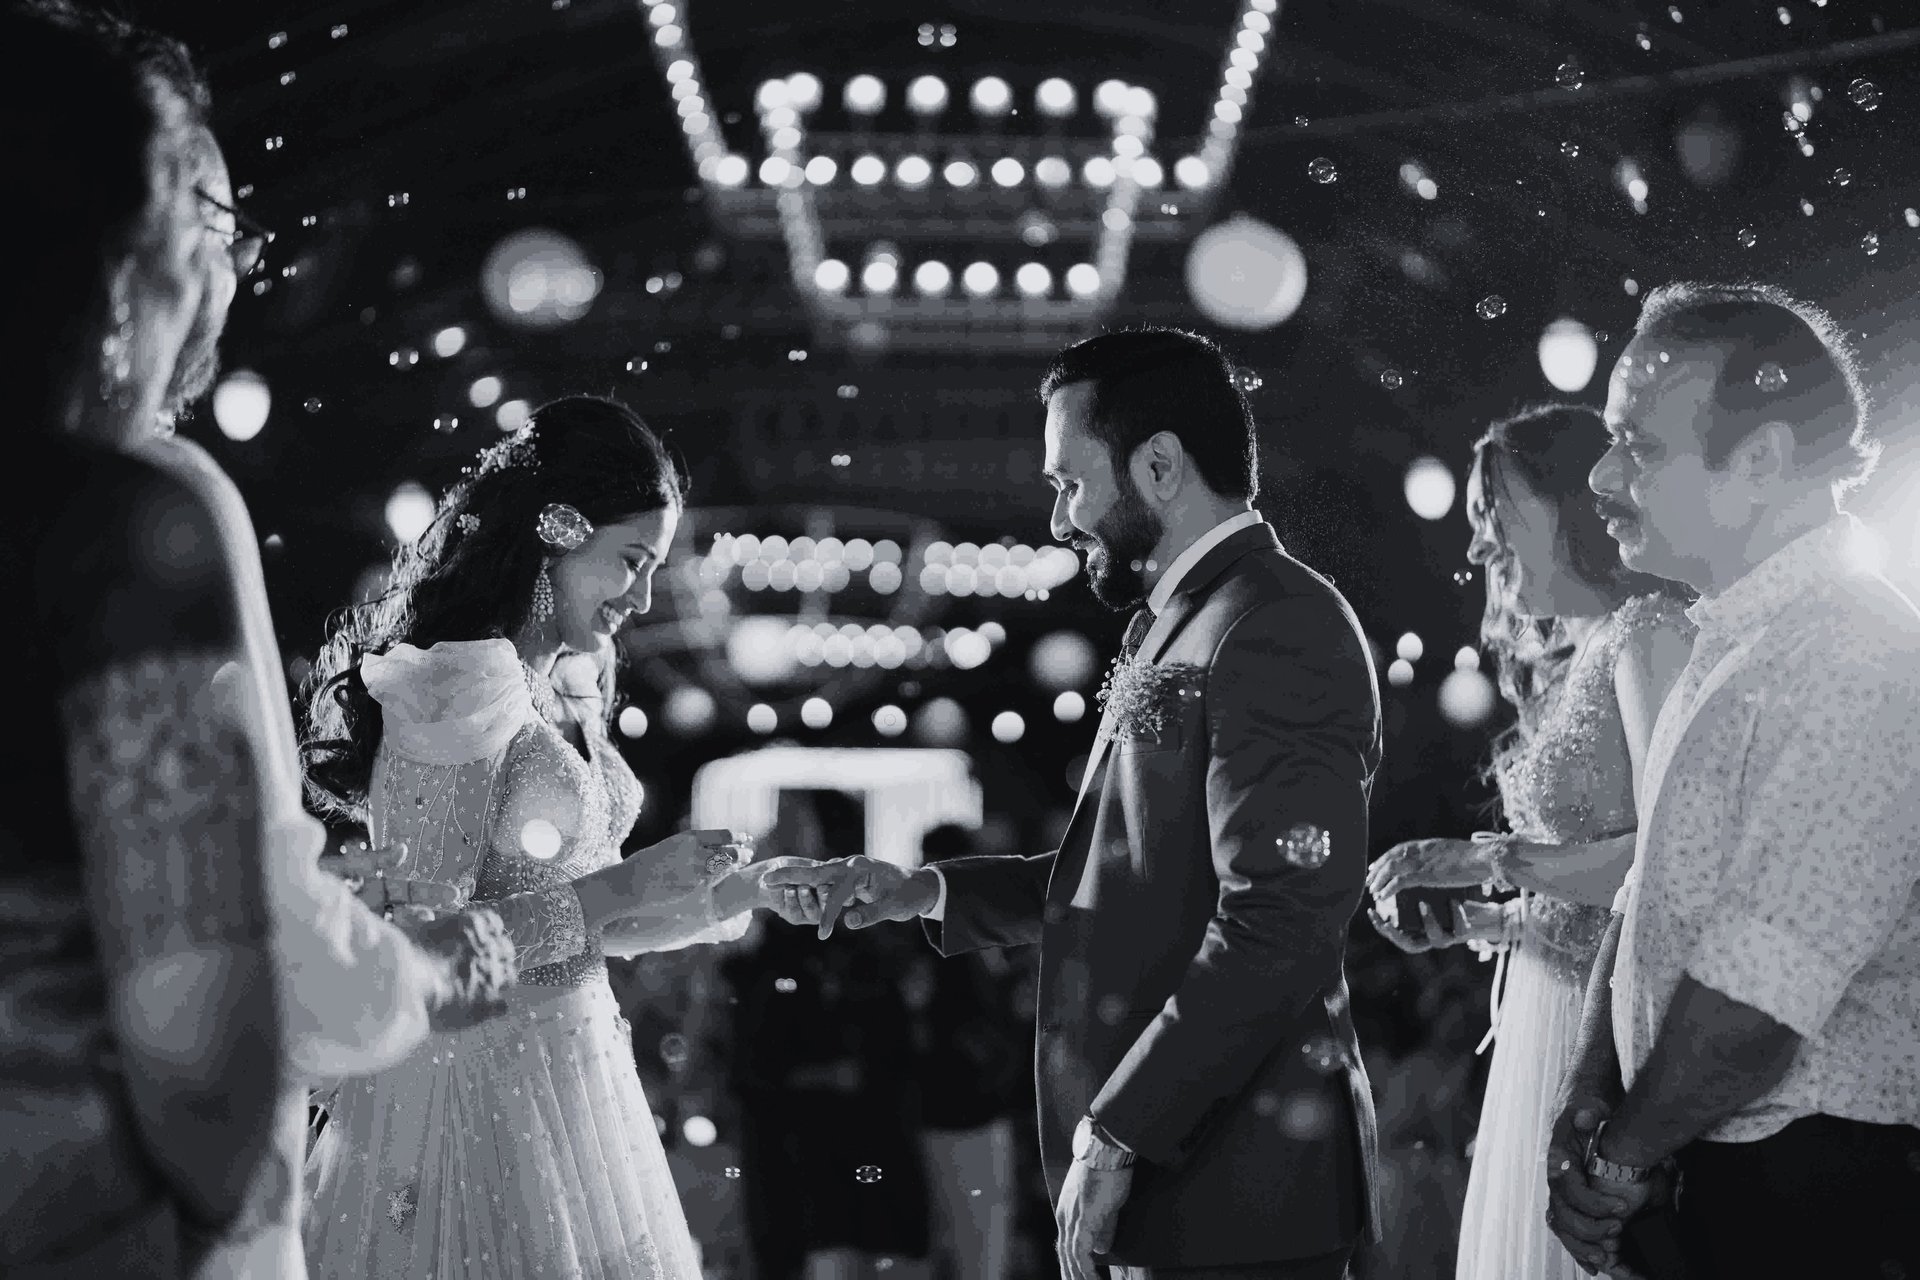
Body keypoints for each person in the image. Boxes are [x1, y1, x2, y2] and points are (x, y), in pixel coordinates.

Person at [41, 9, 519, 1275]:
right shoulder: (125, 516)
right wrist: (416, 972)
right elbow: (212, 1012)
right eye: (209, 222)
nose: (229, 271)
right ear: (122, 242)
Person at [770, 327, 1382, 1280]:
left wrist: (1124, 1130)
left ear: (1161, 465)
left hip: (1240, 1192)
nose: (1059, 519)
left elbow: (1284, 917)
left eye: (1068, 482)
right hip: (1188, 1182)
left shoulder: (1277, 623)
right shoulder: (1182, 620)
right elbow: (1122, 875)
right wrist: (918, 890)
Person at [299, 395, 812, 1278]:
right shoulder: (458, 685)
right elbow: (425, 945)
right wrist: (626, 884)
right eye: (630, 561)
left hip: (576, 1084)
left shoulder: (566, 686)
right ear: (559, 528)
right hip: (472, 1098)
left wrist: (738, 896)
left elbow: (593, 933)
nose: (643, 597)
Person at [1547, 283, 1920, 1279]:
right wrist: (1590, 1086)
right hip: (1709, 1173)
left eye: (1640, 445)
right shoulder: (1734, 637)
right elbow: (1646, 905)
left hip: (1814, 1205)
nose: (1602, 475)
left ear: (1758, 462)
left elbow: (1761, 993)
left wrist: (1618, 1156)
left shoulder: (1854, 660)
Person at [1361, 405, 1691, 1280]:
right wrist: (1485, 923)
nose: (1478, 550)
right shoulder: (1574, 655)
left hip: (1607, 1033)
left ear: (1569, 506)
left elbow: (1670, 858)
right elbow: (1578, 897)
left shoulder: (1648, 634)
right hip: (1539, 1015)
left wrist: (1486, 858)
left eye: (1493, 517)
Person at [724, 790, 933, 1280]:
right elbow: (750, 1056)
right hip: (794, 1143)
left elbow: (889, 1042)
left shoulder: (857, 939)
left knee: (853, 1246)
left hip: (853, 1136)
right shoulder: (764, 948)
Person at [910, 823, 1032, 1280]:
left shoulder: (962, 941)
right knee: (976, 1237)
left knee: (975, 1233)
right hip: (960, 1105)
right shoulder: (942, 943)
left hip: (972, 1104)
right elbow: (954, 1024)